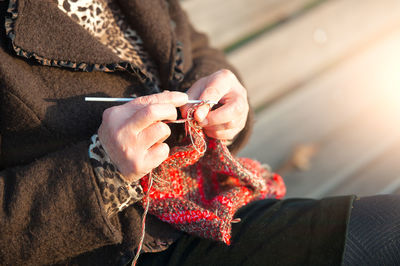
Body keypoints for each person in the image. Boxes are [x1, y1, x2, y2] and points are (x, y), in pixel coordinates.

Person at [0, 0, 399, 265]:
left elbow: (192, 46)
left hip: (205, 205)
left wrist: (225, 98)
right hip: (118, 249)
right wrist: (102, 169)